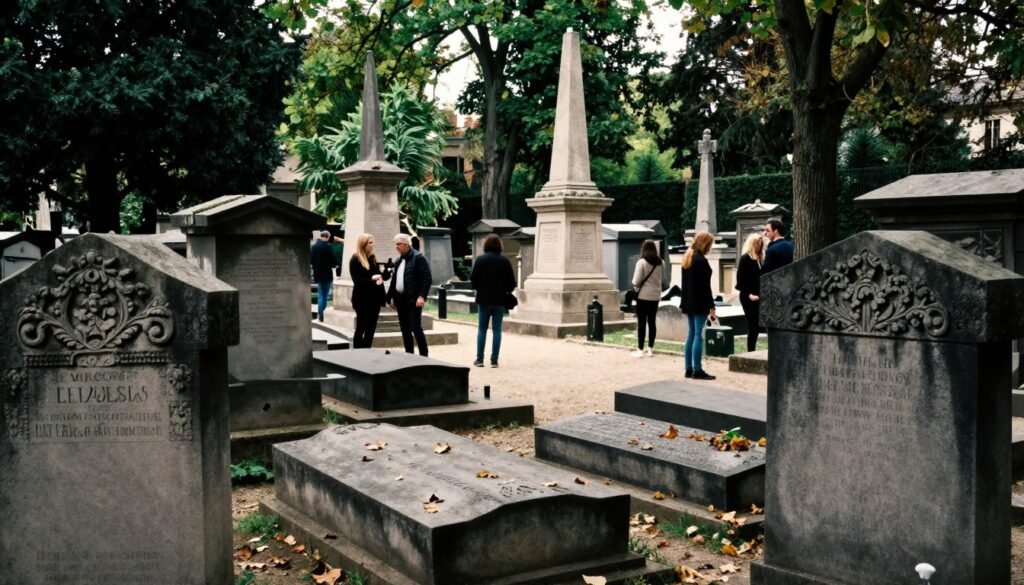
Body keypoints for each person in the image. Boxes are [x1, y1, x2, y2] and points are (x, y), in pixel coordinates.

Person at [470, 234, 516, 367]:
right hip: (499, 300)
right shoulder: (505, 261)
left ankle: (479, 359)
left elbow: (473, 280)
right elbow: (511, 284)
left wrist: (480, 288)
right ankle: (494, 360)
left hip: (484, 299)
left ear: (486, 245)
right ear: (500, 246)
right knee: (497, 330)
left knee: (482, 329)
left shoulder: (480, 260)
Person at [387, 233, 431, 356]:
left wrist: (422, 296)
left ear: (406, 244)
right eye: (395, 244)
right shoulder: (399, 259)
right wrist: (391, 297)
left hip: (413, 299)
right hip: (400, 300)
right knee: (405, 329)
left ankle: (424, 355)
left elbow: (427, 278)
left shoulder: (418, 258)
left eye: (398, 244)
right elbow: (395, 280)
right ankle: (409, 354)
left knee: (415, 328)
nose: (396, 247)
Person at [680, 231, 716, 380]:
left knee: (691, 334)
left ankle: (689, 368)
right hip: (700, 302)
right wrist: (712, 305)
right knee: (697, 336)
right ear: (706, 244)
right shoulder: (701, 261)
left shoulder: (688, 258)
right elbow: (705, 287)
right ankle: (698, 370)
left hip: (689, 302)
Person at [349, 233, 388, 348]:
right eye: (370, 242)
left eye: (372, 242)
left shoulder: (372, 258)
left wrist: (386, 273)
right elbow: (358, 280)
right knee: (361, 327)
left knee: (371, 329)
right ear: (363, 244)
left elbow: (380, 276)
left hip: (374, 299)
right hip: (361, 299)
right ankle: (358, 352)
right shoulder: (355, 259)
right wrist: (372, 279)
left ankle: (366, 351)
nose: (373, 244)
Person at [629, 239, 664, 358]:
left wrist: (634, 284)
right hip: (655, 296)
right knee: (652, 322)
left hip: (643, 296)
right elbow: (662, 279)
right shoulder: (661, 262)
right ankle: (650, 349)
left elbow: (636, 281)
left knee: (642, 322)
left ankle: (640, 349)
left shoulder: (641, 263)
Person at [736, 233, 767, 352]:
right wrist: (749, 294)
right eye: (757, 243)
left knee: (759, 326)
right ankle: (750, 352)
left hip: (759, 295)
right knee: (753, 326)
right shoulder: (746, 258)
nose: (759, 245)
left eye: (760, 243)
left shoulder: (761, 258)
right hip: (748, 296)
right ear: (752, 244)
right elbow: (741, 280)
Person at [310, 230, 339, 322]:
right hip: (326, 274)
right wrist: (335, 265)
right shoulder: (328, 247)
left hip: (317, 274)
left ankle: (320, 315)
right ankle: (322, 316)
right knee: (325, 296)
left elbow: (311, 260)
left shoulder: (314, 247)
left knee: (320, 295)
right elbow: (334, 262)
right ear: (328, 237)